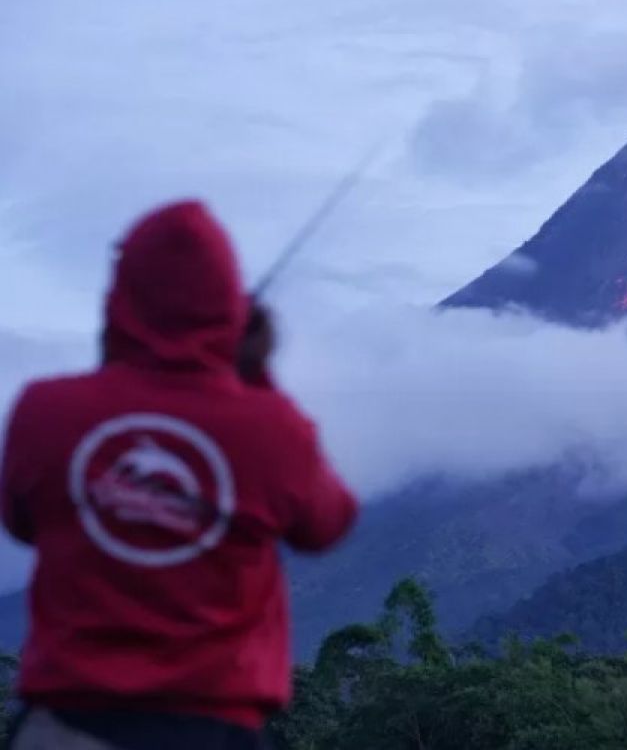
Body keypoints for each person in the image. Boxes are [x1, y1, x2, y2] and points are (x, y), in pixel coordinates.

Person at [0, 200, 359, 749]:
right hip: (216, 728)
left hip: (67, 727)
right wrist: (255, 377)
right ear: (229, 311)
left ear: (118, 301)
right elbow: (327, 525)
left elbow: (23, 521)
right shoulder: (272, 429)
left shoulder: (43, 412)